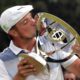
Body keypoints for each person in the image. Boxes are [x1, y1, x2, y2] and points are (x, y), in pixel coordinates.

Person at [0, 5, 80, 80]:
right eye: (25, 22)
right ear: (13, 32)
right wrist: (19, 77)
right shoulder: (2, 61)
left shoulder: (52, 44)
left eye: (31, 17)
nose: (34, 22)